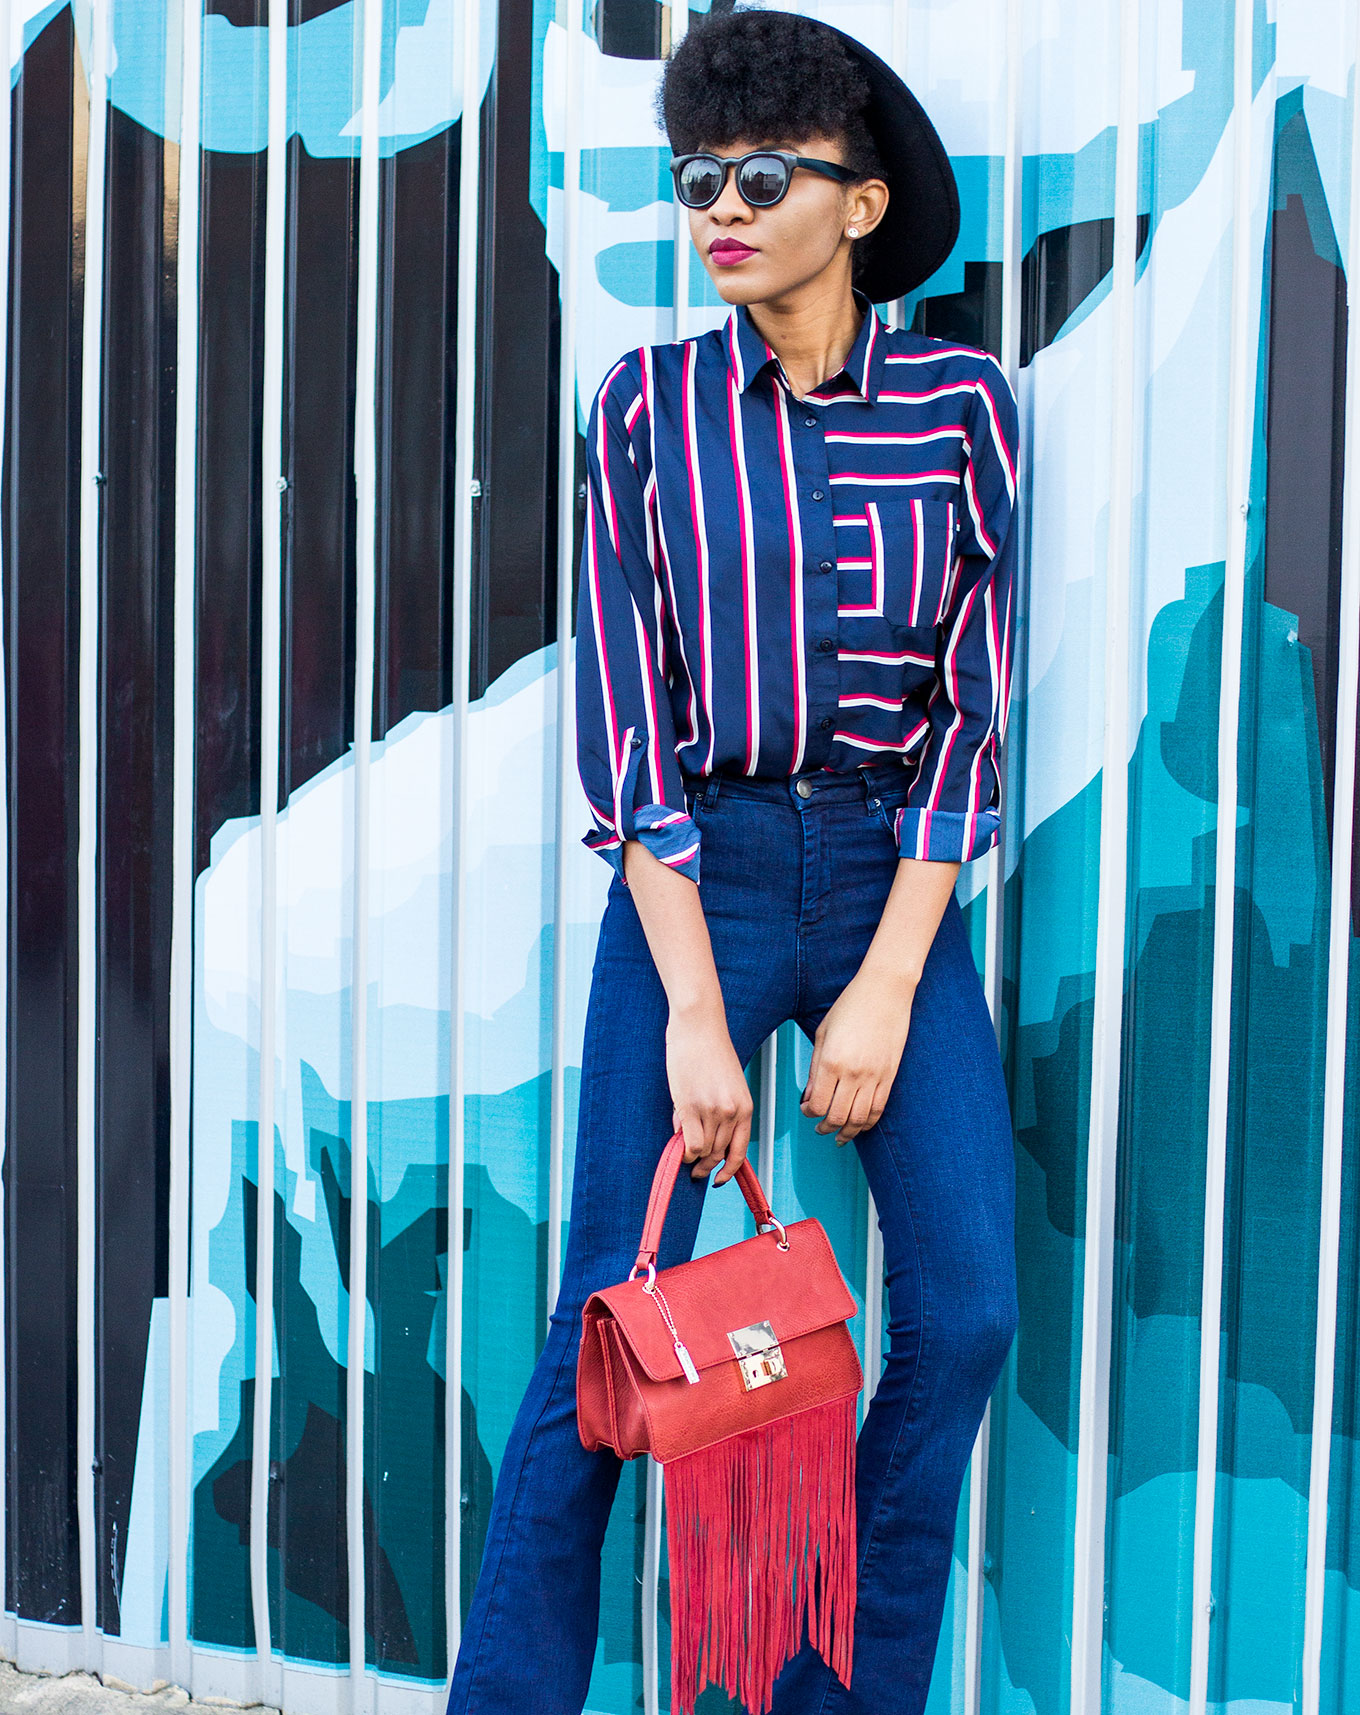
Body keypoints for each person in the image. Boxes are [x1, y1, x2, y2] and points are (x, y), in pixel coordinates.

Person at [446, 8, 1021, 1713]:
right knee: (602, 1332)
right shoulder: (644, 408)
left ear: (859, 204)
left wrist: (887, 989)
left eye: (764, 173)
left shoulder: (963, 406)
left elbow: (972, 717)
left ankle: (833, 1689)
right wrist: (700, 1019)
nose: (721, 205)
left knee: (968, 1310)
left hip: (891, 886)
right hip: (700, 880)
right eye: (699, 173)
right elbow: (624, 730)